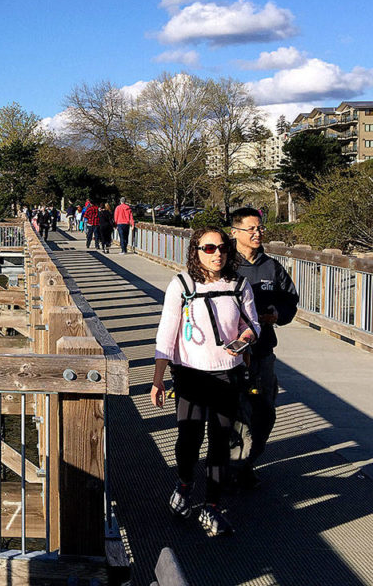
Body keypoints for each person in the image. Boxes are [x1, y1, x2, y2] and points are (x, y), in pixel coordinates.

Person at [150, 226, 260, 536]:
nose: (217, 254)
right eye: (208, 248)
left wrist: (246, 337)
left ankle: (211, 506)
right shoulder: (182, 285)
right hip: (191, 373)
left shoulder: (240, 285)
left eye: (222, 247)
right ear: (195, 251)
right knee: (189, 438)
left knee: (221, 442)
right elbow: (166, 333)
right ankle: (185, 483)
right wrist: (158, 378)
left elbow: (250, 325)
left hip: (228, 372)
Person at [228, 207, 298, 488]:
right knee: (236, 415)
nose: (258, 233)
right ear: (236, 232)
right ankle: (234, 470)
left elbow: (290, 301)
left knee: (265, 412)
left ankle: (247, 461)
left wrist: (277, 314)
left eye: (260, 228)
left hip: (263, 352)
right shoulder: (223, 263)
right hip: (232, 355)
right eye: (251, 229)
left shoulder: (272, 267)